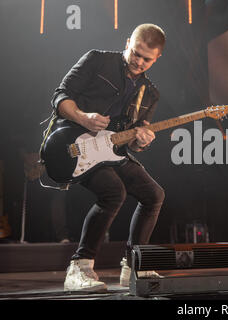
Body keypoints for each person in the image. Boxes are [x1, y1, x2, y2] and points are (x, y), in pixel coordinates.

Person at [47, 24, 166, 292]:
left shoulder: (151, 93)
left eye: (147, 58)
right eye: (135, 53)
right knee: (114, 191)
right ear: (128, 42)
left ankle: (134, 267)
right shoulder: (97, 59)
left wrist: (141, 140)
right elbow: (59, 96)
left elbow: (134, 142)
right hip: (72, 142)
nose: (139, 61)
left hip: (110, 150)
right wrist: (82, 117)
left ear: (157, 58)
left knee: (154, 195)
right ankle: (79, 268)